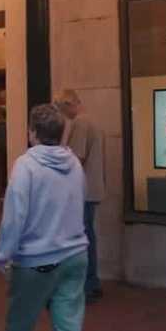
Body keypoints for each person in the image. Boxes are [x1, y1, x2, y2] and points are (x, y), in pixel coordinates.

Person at [0, 103, 89, 331]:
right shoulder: (74, 162)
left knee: (20, 324)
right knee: (68, 326)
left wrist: (2, 256)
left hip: (37, 259)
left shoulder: (26, 166)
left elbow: (14, 217)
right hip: (76, 254)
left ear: (33, 132)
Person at [58, 89, 106, 302]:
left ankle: (88, 284)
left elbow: (75, 157)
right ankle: (90, 282)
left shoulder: (81, 123)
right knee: (88, 234)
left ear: (70, 103)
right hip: (92, 188)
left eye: (62, 108)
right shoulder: (94, 122)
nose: (62, 114)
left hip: (82, 190)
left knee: (83, 237)